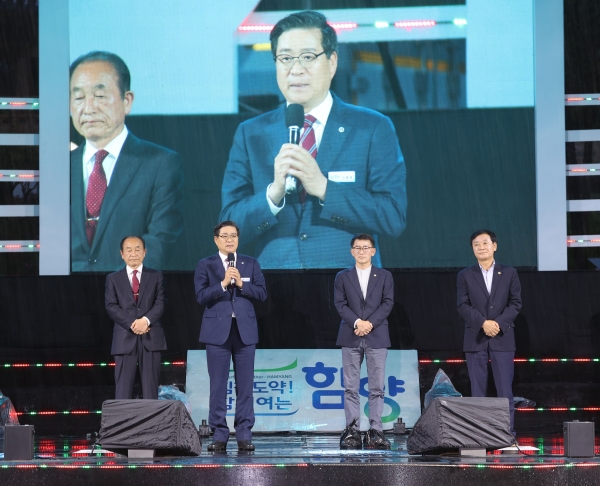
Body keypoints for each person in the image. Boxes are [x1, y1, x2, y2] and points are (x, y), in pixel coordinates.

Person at [220, 10, 406, 269]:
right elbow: (227, 230)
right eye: (285, 58)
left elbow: (392, 217)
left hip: (350, 288)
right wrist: (272, 195)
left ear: (332, 62)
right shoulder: (251, 133)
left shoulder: (371, 128)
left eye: (308, 57)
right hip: (276, 292)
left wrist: (324, 188)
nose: (296, 69)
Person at [70, 51, 183, 272]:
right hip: (61, 296)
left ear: (126, 101)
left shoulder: (160, 164)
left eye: (100, 96)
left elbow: (159, 245)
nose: (89, 108)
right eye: (79, 97)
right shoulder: (58, 169)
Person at [194, 221, 267, 451]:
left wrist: (241, 285)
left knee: (245, 386)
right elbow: (201, 296)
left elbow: (262, 294)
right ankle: (219, 434)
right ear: (216, 239)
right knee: (218, 386)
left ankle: (244, 433)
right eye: (224, 236)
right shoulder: (205, 265)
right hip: (217, 333)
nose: (229, 239)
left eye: (233, 235)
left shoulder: (250, 263)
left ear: (238, 238)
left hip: (245, 332)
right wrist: (224, 284)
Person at [457, 230, 522, 437]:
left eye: (485, 243)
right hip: (475, 338)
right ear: (472, 249)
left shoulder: (509, 272)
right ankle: (479, 437)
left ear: (494, 246)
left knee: (505, 391)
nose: (481, 247)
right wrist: (483, 323)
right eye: (477, 244)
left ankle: (506, 434)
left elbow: (515, 303)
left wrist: (497, 324)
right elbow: (462, 305)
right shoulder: (465, 275)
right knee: (478, 392)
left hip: (502, 338)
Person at [334, 233, 394, 450]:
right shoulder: (342, 276)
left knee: (376, 387)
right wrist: (358, 322)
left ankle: (375, 431)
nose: (361, 251)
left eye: (365, 247)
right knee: (350, 387)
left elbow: (387, 303)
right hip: (350, 335)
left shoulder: (384, 275)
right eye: (357, 248)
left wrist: (369, 323)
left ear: (373, 251)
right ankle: (352, 430)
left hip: (377, 335)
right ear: (352, 252)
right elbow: (340, 304)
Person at [105, 235, 167, 399]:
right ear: (122, 254)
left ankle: (152, 425)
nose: (133, 253)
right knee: (123, 391)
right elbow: (111, 306)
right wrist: (133, 323)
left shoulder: (156, 276)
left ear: (145, 252)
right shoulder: (112, 278)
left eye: (137, 249)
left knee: (150, 390)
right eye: (129, 250)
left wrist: (145, 321)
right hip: (124, 338)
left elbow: (160, 302)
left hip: (151, 336)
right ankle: (123, 425)